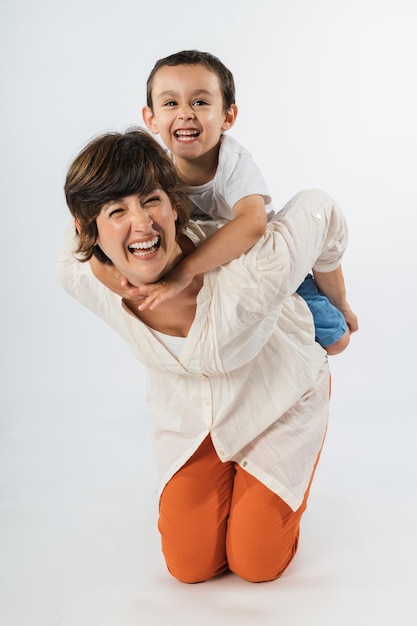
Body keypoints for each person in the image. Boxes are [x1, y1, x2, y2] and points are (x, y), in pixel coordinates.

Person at [58, 128, 356, 583]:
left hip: (279, 395)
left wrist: (340, 304)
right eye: (117, 211)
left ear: (176, 205)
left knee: (257, 564)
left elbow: (321, 209)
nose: (141, 224)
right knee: (189, 568)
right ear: (88, 229)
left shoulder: (252, 273)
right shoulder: (84, 278)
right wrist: (110, 270)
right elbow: (70, 250)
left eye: (151, 201)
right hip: (192, 417)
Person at [128, 49, 357, 354]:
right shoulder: (157, 169)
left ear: (228, 116)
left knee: (337, 340)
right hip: (218, 270)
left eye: (200, 102)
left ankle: (338, 300)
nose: (185, 113)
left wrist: (185, 272)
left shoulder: (232, 161)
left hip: (263, 259)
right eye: (171, 103)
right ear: (151, 119)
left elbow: (253, 224)